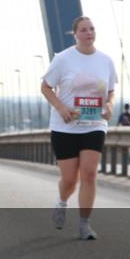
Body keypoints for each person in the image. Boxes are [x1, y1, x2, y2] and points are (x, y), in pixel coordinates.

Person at [41, 16, 117, 241]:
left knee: (89, 174)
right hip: (65, 127)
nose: (89, 33)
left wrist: (110, 105)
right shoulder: (63, 59)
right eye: (83, 30)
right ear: (75, 34)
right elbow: (45, 87)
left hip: (94, 124)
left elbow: (111, 91)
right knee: (69, 180)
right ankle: (62, 202)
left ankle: (84, 224)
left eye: (92, 29)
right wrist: (61, 108)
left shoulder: (106, 60)